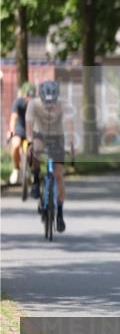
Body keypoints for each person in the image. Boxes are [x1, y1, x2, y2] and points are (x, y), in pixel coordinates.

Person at [25, 81, 74, 233]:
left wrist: (71, 144)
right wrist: (29, 142)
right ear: (41, 97)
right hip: (40, 135)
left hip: (57, 137)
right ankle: (35, 178)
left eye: (52, 102)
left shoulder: (62, 105)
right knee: (36, 148)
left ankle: (59, 214)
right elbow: (29, 126)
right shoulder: (33, 105)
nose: (49, 105)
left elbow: (69, 124)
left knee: (58, 176)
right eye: (47, 102)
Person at [7, 82, 35, 185]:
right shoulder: (18, 103)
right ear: (24, 94)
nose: (29, 98)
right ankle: (16, 169)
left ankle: (32, 171)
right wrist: (11, 131)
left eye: (31, 95)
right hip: (20, 129)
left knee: (33, 149)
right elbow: (13, 118)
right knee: (15, 145)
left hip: (31, 130)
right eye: (28, 95)